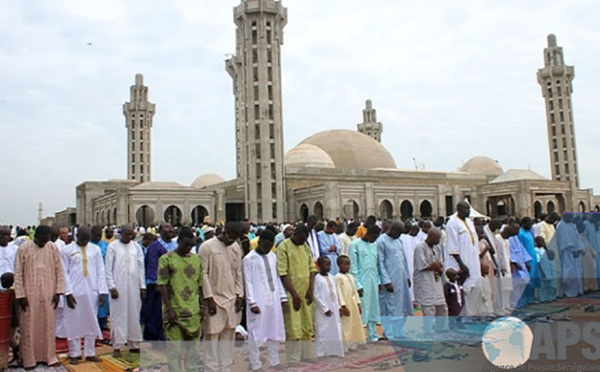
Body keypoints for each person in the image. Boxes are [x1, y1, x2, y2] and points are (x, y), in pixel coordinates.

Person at [14, 225, 65, 369]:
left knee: (48, 325)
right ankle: (29, 360)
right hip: (29, 294)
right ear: (35, 236)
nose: (44, 243)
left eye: (46, 240)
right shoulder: (24, 248)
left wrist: (58, 292)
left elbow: (59, 270)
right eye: (42, 240)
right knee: (28, 326)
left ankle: (49, 357)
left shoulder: (52, 248)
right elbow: (18, 273)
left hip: (49, 292)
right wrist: (21, 295)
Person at [199, 221, 244, 372]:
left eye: (234, 239)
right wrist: (209, 298)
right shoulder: (207, 247)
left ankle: (225, 368)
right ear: (223, 232)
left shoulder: (236, 247)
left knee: (228, 336)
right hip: (214, 299)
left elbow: (238, 272)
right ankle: (211, 368)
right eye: (230, 238)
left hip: (232, 299)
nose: (231, 241)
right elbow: (203, 274)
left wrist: (240, 295)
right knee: (211, 337)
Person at [157, 227, 203, 372]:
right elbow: (162, 285)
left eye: (192, 245)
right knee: (174, 351)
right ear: (179, 241)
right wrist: (169, 309)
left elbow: (200, 284)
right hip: (174, 312)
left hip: (193, 312)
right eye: (186, 245)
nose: (189, 248)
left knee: (193, 351)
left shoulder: (196, 259)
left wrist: (202, 306)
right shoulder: (166, 259)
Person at [61, 226, 107, 365]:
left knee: (91, 321)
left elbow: (100, 271)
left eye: (87, 239)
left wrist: (102, 291)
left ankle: (90, 352)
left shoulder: (95, 250)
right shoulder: (67, 250)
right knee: (73, 322)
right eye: (82, 238)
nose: (85, 241)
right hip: (74, 293)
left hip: (92, 292)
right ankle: (74, 354)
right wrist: (68, 293)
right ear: (76, 236)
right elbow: (64, 273)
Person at [243, 230, 287, 371]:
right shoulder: (249, 259)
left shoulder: (273, 257)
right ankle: (255, 363)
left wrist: (283, 297)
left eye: (270, 246)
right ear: (259, 242)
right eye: (265, 246)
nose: (267, 249)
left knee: (274, 329)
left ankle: (274, 360)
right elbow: (248, 282)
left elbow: (277, 278)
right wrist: (252, 302)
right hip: (258, 299)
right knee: (255, 332)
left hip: (273, 298)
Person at [277, 223, 317, 366]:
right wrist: (294, 294)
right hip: (291, 293)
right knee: (293, 328)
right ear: (295, 234)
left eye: (304, 239)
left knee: (307, 326)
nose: (302, 242)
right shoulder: (283, 247)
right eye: (300, 239)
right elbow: (283, 273)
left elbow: (312, 268)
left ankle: (307, 355)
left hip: (306, 293)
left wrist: (311, 290)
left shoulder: (305, 246)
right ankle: (293, 358)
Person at [105, 225, 146, 358]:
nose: (129, 237)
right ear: (121, 234)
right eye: (127, 234)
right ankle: (117, 345)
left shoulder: (136, 247)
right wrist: (111, 286)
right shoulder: (113, 247)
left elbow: (141, 268)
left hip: (134, 286)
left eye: (131, 235)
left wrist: (142, 286)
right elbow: (108, 269)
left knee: (134, 314)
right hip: (118, 286)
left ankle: (133, 344)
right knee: (118, 315)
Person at [445, 201, 482, 317]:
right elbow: (452, 247)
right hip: (460, 264)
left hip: (473, 262)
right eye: (466, 209)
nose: (469, 211)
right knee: (460, 293)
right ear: (459, 209)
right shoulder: (452, 223)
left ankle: (469, 315)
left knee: (474, 288)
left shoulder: (469, 222)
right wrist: (461, 265)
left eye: (469, 209)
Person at [377, 221, 413, 340]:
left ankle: (399, 332)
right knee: (389, 307)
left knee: (401, 307)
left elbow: (404, 260)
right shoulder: (381, 241)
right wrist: (386, 281)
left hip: (401, 280)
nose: (400, 235)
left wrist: (407, 276)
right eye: (399, 232)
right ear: (393, 230)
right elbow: (380, 263)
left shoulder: (399, 241)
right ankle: (388, 333)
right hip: (390, 281)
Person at [142, 223, 176, 341]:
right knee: (156, 313)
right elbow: (152, 264)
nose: (170, 229)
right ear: (160, 231)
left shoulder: (176, 245)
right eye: (167, 228)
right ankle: (155, 337)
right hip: (159, 286)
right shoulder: (155, 247)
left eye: (171, 227)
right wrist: (156, 282)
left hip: (174, 286)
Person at [349, 224, 381, 342]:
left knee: (373, 307)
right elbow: (353, 266)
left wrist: (378, 282)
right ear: (369, 234)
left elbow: (376, 265)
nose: (375, 239)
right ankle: (360, 337)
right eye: (374, 237)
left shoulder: (374, 245)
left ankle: (373, 335)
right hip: (361, 282)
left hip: (373, 281)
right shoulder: (355, 245)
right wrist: (358, 284)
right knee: (362, 309)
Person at [413, 228, 446, 336]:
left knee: (441, 306)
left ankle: (439, 329)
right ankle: (428, 331)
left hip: (436, 280)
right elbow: (422, 265)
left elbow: (440, 262)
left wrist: (434, 265)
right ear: (430, 236)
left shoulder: (437, 247)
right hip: (425, 281)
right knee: (429, 308)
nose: (438, 241)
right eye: (436, 239)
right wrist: (434, 265)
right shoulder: (420, 248)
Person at [313, 256, 344, 358]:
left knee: (335, 329)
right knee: (322, 331)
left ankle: (334, 351)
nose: (328, 267)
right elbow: (315, 295)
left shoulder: (332, 277)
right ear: (319, 266)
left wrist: (339, 306)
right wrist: (324, 308)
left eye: (329, 264)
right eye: (326, 264)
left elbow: (336, 293)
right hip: (322, 310)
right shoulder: (316, 279)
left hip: (334, 308)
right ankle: (320, 353)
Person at [335, 255, 365, 352]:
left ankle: (354, 343)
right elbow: (338, 293)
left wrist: (358, 303)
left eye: (348, 264)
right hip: (346, 304)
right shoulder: (337, 277)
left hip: (353, 303)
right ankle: (345, 346)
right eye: (345, 264)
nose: (347, 266)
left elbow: (354, 292)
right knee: (346, 325)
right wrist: (343, 306)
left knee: (355, 323)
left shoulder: (350, 276)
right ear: (339, 265)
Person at [556, 213, 584, 298]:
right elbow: (563, 240)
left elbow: (577, 237)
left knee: (577, 271)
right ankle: (567, 291)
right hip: (567, 252)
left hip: (576, 252)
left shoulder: (572, 225)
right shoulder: (561, 226)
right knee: (568, 272)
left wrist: (579, 249)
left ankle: (577, 290)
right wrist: (572, 250)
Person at [91, 225, 110, 331]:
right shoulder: (87, 245)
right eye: (96, 235)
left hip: (103, 275)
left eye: (99, 235)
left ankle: (103, 322)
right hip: (91, 276)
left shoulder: (106, 245)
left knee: (104, 300)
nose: (98, 237)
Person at [508, 223, 531, 309]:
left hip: (521, 264)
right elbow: (508, 253)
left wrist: (526, 262)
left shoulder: (516, 238)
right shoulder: (508, 239)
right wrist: (514, 263)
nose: (518, 231)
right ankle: (513, 304)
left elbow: (522, 251)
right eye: (516, 230)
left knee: (522, 285)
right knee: (515, 287)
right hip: (515, 266)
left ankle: (519, 303)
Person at [518, 217, 540, 305]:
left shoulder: (529, 233)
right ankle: (523, 299)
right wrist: (524, 261)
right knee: (525, 280)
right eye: (529, 223)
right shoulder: (520, 233)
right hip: (525, 260)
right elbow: (520, 248)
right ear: (524, 223)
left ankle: (530, 298)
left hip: (533, 258)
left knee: (532, 279)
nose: (531, 225)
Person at [535, 236, 557, 302]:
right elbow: (538, 262)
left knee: (549, 285)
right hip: (541, 270)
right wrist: (542, 272)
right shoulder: (536, 250)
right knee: (542, 286)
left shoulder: (544, 250)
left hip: (548, 270)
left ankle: (549, 298)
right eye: (540, 241)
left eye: (542, 241)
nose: (542, 243)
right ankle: (542, 299)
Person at [578, 221, 598, 292]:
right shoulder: (577, 236)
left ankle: (591, 287)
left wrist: (594, 252)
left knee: (591, 271)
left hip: (589, 257)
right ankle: (586, 287)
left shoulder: (584, 236)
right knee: (585, 273)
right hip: (583, 257)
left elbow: (589, 245)